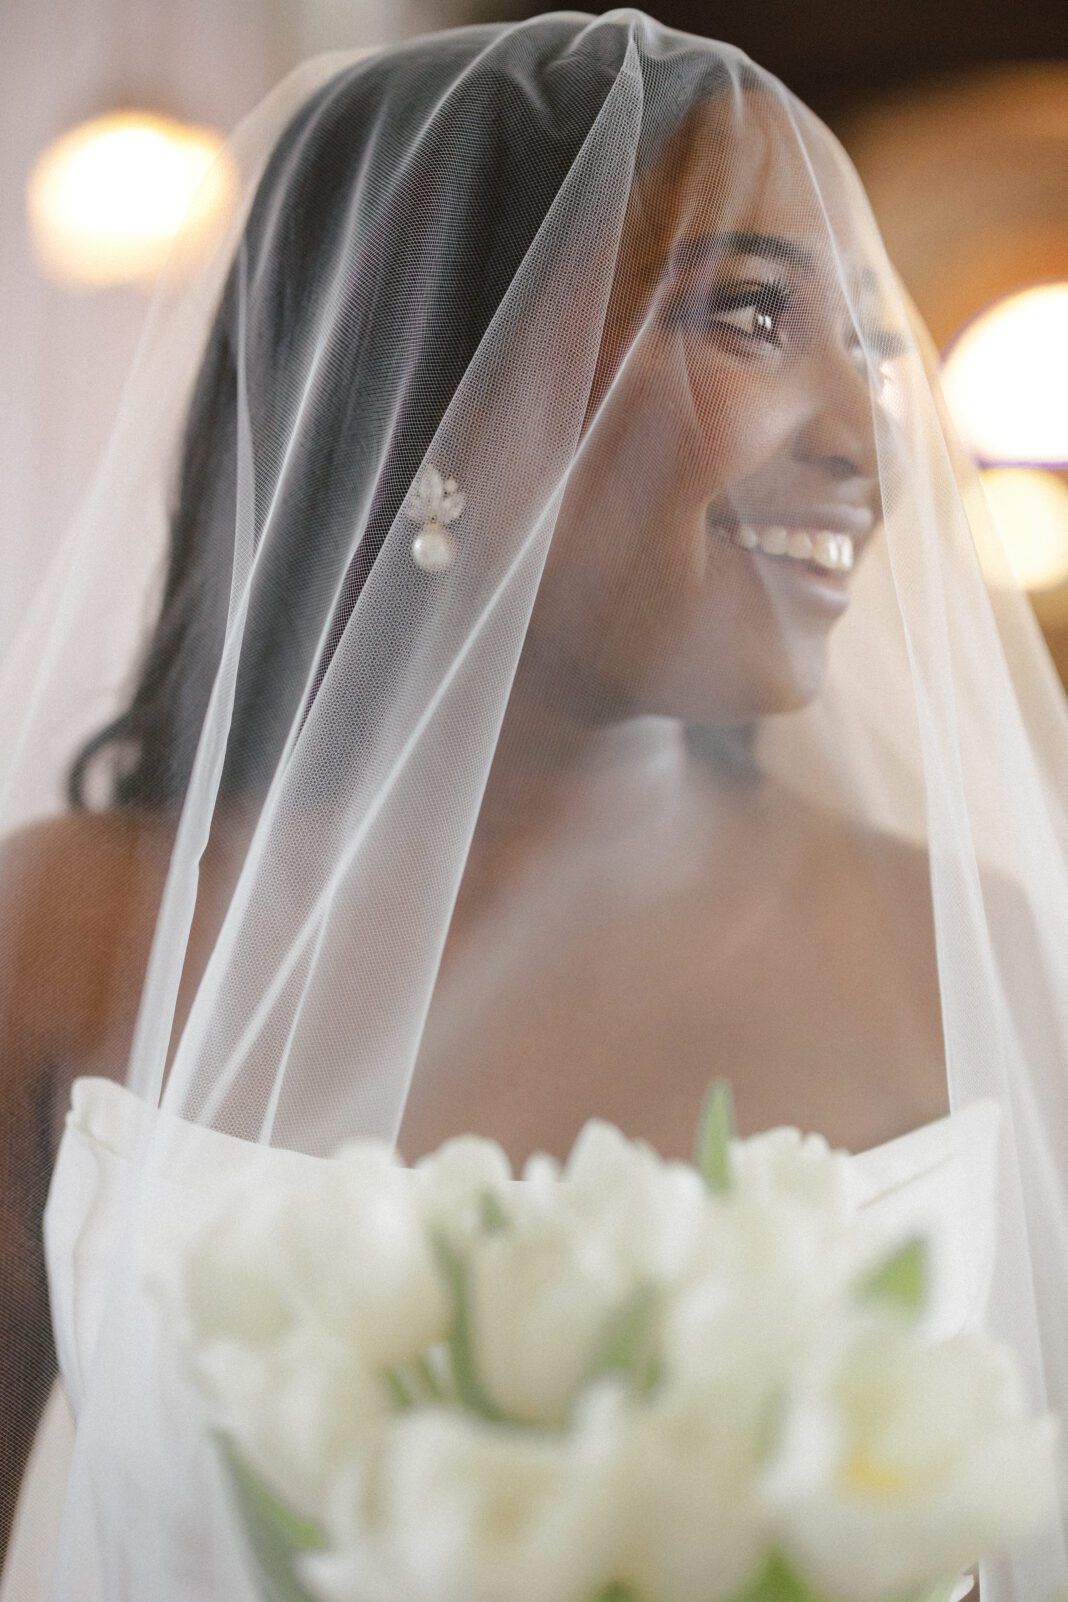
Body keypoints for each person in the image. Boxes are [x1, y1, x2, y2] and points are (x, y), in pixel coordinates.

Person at [1, 12, 1066, 1600]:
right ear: (448, 386)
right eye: (755, 314)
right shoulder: (65, 940)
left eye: (873, 346)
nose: (866, 444)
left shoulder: (972, 954)